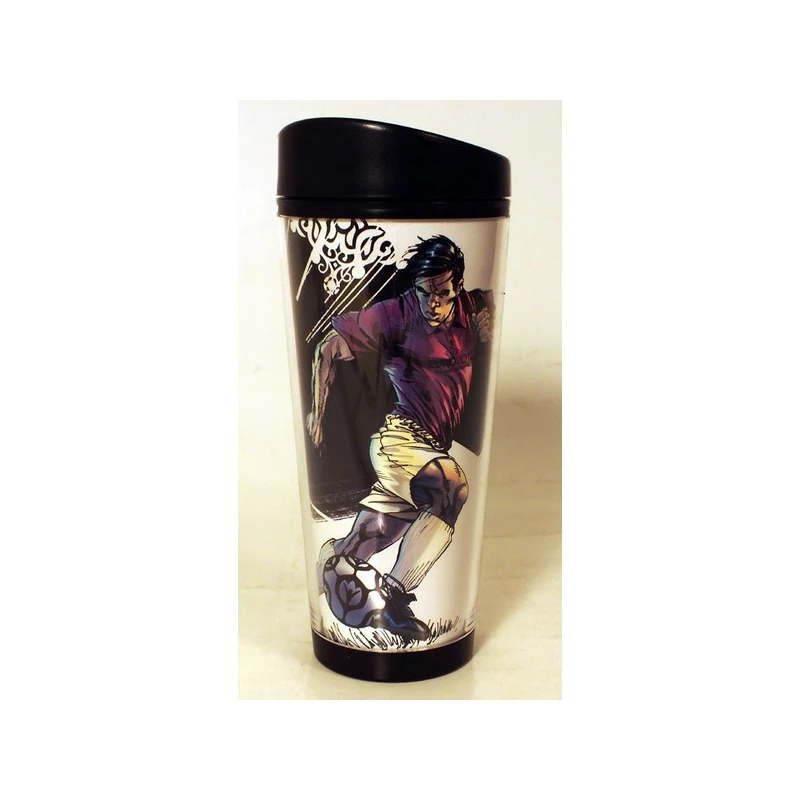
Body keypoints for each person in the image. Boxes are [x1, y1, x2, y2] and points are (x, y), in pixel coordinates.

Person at [307, 234, 493, 640]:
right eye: (425, 292)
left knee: (371, 536)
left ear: (457, 286)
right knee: (451, 488)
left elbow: (492, 300)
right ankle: (392, 598)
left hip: (430, 448)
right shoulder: (397, 314)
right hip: (401, 440)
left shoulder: (471, 307)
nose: (433, 303)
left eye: (442, 293)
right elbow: (328, 348)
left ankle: (332, 557)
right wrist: (317, 415)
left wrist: (489, 324)